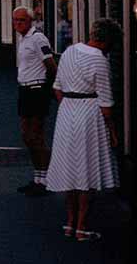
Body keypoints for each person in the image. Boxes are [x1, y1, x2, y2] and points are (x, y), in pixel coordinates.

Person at [46, 18, 120, 241]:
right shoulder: (100, 60)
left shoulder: (69, 51)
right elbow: (106, 103)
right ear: (108, 41)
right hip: (89, 116)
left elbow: (57, 87)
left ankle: (69, 223)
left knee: (70, 169)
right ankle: (82, 226)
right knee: (88, 170)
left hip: (66, 113)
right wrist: (113, 132)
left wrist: (70, 106)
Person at [12, 6, 57, 197]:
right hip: (24, 90)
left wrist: (49, 89)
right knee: (26, 135)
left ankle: (45, 180)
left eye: (21, 20)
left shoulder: (38, 38)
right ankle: (37, 177)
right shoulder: (23, 39)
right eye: (15, 20)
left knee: (36, 136)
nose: (18, 24)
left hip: (36, 90)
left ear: (30, 21)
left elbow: (51, 65)